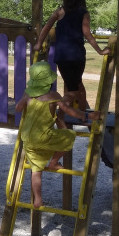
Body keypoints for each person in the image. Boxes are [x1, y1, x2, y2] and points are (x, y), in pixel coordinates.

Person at [16, 61, 101, 208]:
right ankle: (54, 162)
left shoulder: (27, 93)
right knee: (69, 136)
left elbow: (18, 108)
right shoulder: (53, 96)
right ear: (49, 82)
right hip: (44, 136)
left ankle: (38, 199)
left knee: (36, 170)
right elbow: (71, 112)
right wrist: (88, 117)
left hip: (27, 138)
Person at [35, 0, 110, 110]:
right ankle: (76, 112)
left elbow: (47, 27)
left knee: (74, 85)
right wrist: (100, 51)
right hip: (77, 56)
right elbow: (87, 34)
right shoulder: (84, 13)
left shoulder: (60, 11)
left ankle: (75, 113)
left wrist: (39, 43)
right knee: (76, 86)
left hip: (62, 56)